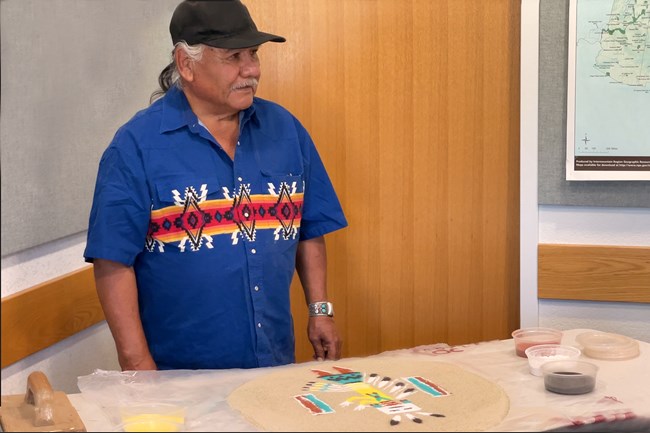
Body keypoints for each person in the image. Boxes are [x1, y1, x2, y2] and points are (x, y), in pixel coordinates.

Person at [84, 0, 348, 371]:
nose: (251, 69)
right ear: (185, 64)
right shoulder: (135, 147)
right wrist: (136, 362)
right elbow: (112, 261)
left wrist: (320, 310)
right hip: (178, 378)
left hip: (273, 367)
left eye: (253, 54)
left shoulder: (287, 131)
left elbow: (310, 227)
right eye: (233, 57)